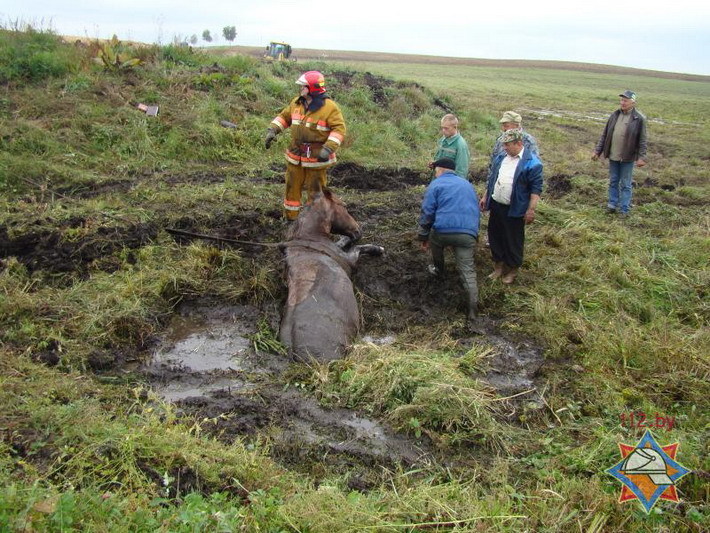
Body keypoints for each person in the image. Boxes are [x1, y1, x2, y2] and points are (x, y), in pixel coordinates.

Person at [265, 71, 346, 220]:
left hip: (316, 158)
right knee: (291, 188)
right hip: (295, 155)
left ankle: (312, 222)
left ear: (313, 88)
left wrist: (327, 149)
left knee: (315, 192)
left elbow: (339, 130)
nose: (301, 89)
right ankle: (291, 220)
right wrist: (273, 130)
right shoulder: (297, 103)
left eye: (303, 86)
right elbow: (284, 117)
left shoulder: (330, 108)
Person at [418, 158, 480, 320]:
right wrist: (474, 234)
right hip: (467, 233)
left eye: (436, 170)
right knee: (468, 271)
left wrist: (423, 236)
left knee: (435, 241)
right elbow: (476, 210)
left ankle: (439, 268)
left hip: (443, 231)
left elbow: (427, 212)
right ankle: (472, 311)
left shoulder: (436, 185)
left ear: (440, 170)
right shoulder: (467, 185)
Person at [480, 129, 543, 285]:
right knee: (495, 236)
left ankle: (513, 269)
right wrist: (485, 196)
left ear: (519, 143)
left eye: (507, 145)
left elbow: (536, 189)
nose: (505, 148)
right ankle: (498, 266)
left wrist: (531, 209)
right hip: (497, 204)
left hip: (515, 207)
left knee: (513, 239)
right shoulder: (501, 158)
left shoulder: (532, 163)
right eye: (504, 145)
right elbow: (492, 179)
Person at [592, 90, 647, 217]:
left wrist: (641, 157)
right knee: (613, 180)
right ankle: (612, 204)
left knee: (626, 183)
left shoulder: (639, 119)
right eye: (621, 100)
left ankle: (624, 209)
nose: (622, 103)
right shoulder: (614, 115)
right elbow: (605, 135)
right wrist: (597, 151)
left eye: (625, 100)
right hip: (613, 154)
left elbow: (643, 140)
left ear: (633, 102)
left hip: (627, 157)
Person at [430, 114, 470, 179]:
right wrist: (434, 164)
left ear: (455, 127)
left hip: (450, 182)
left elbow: (461, 170)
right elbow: (439, 159)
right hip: (438, 180)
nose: (443, 130)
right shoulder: (442, 140)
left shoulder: (461, 144)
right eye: (442, 127)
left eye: (446, 128)